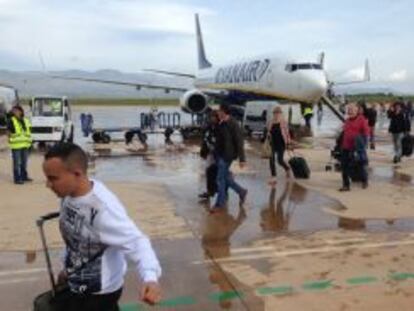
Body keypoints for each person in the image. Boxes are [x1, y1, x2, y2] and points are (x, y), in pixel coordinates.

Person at [42, 143, 162, 310]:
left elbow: (137, 241)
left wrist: (150, 278)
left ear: (77, 174)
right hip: (76, 285)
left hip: (98, 295)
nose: (48, 184)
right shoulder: (68, 196)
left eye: (53, 178)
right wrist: (66, 268)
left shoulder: (103, 210)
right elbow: (76, 239)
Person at [212, 104, 247, 211]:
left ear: (224, 112)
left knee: (219, 179)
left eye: (219, 111)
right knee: (225, 178)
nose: (217, 113)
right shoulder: (220, 122)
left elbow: (239, 142)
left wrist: (242, 159)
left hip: (227, 156)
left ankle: (219, 203)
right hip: (219, 155)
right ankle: (242, 192)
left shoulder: (233, 123)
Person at [339, 103, 369, 191]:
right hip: (345, 147)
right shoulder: (347, 121)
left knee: (359, 165)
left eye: (352, 110)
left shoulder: (362, 120)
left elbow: (366, 134)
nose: (350, 111)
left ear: (356, 111)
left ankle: (364, 180)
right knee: (344, 166)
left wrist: (363, 146)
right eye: (349, 110)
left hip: (356, 148)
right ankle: (346, 185)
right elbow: (344, 133)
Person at [265, 106, 291, 187]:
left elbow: (287, 133)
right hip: (272, 143)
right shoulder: (270, 122)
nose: (276, 115)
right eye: (275, 113)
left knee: (280, 160)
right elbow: (268, 132)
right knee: (271, 160)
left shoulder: (283, 122)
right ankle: (274, 178)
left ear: (281, 114)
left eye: (278, 113)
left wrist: (288, 143)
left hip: (281, 143)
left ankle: (287, 169)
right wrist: (267, 135)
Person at [7, 105, 32, 184]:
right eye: (13, 111)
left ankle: (24, 176)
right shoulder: (11, 120)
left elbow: (29, 131)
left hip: (25, 144)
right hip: (16, 145)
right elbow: (8, 132)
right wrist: (10, 137)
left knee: (24, 162)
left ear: (20, 111)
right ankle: (17, 179)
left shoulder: (26, 120)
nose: (14, 112)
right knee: (17, 162)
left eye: (16, 110)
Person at [199, 110, 219, 201]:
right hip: (210, 153)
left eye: (213, 117)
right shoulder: (208, 127)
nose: (212, 119)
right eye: (211, 117)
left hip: (218, 154)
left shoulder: (220, 128)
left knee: (219, 174)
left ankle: (217, 191)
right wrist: (203, 152)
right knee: (209, 171)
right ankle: (210, 191)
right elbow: (205, 141)